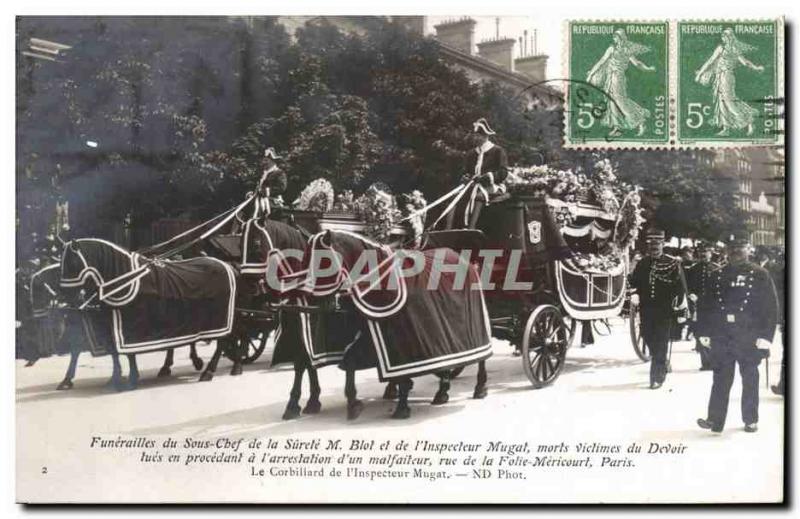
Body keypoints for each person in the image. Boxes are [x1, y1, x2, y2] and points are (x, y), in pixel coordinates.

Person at [696, 232, 779, 433]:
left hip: (748, 335)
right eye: (732, 250)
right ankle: (715, 420)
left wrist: (766, 337)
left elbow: (771, 308)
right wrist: (703, 332)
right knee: (721, 378)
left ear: (748, 250)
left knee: (750, 378)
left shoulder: (760, 274)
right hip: (722, 334)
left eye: (740, 249)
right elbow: (706, 305)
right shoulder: (717, 274)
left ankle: (750, 419)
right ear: (727, 252)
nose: (735, 253)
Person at [629, 229, 689, 389]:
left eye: (657, 244)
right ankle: (662, 362)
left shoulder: (672, 263)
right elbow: (633, 282)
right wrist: (634, 293)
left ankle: (657, 377)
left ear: (663, 244)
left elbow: (681, 287)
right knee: (647, 336)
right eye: (651, 244)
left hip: (665, 309)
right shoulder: (642, 263)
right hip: (646, 309)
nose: (654, 247)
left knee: (661, 341)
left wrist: (681, 309)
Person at [694, 28, 765, 136]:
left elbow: (745, 62)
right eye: (723, 36)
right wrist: (700, 73)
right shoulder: (722, 48)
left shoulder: (733, 49)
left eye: (725, 36)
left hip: (727, 77)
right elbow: (710, 62)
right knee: (721, 102)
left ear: (730, 37)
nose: (723, 38)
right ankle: (726, 128)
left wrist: (756, 68)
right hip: (719, 77)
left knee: (729, 101)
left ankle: (749, 121)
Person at [586, 28, 656, 137]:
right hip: (611, 77)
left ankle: (640, 120)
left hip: (618, 78)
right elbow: (601, 62)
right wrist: (591, 74)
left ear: (621, 38)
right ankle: (617, 127)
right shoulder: (612, 49)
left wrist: (648, 69)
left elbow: (637, 63)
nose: (614, 39)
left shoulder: (626, 50)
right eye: (614, 37)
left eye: (616, 37)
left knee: (619, 100)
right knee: (611, 101)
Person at [445, 118, 508, 230]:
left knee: (479, 196)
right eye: (475, 135)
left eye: (479, 135)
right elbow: (466, 171)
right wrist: (465, 177)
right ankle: (448, 229)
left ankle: (471, 229)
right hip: (474, 185)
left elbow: (503, 172)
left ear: (486, 136)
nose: (476, 138)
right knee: (454, 197)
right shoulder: (472, 153)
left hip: (494, 185)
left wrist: (488, 177)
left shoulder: (498, 151)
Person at [685, 241, 720, 370]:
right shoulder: (693, 269)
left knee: (714, 333)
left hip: (714, 307)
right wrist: (691, 294)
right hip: (699, 306)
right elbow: (687, 285)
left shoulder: (717, 268)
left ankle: (714, 360)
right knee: (701, 333)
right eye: (701, 252)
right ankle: (706, 362)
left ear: (711, 253)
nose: (703, 254)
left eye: (706, 252)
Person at [256, 147, 288, 216]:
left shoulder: (279, 173)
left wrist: (266, 191)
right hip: (260, 199)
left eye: (266, 160)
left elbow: (282, 188)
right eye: (264, 160)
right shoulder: (264, 174)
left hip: (273, 201)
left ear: (273, 161)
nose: (264, 163)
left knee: (262, 209)